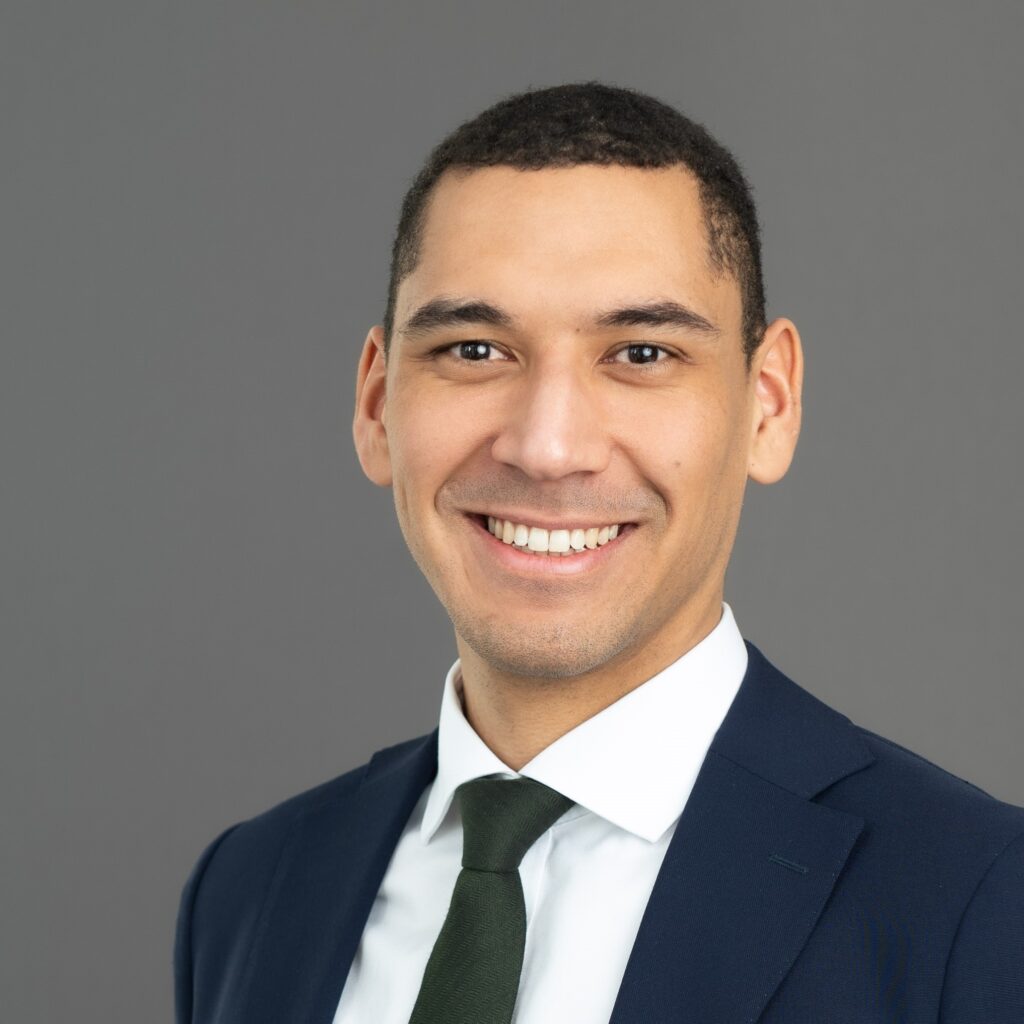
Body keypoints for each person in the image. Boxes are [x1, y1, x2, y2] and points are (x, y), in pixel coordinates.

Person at [174, 82, 1024, 1023]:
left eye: (641, 354)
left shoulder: (983, 903)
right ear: (378, 406)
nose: (547, 447)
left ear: (768, 404)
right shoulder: (250, 889)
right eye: (474, 350)